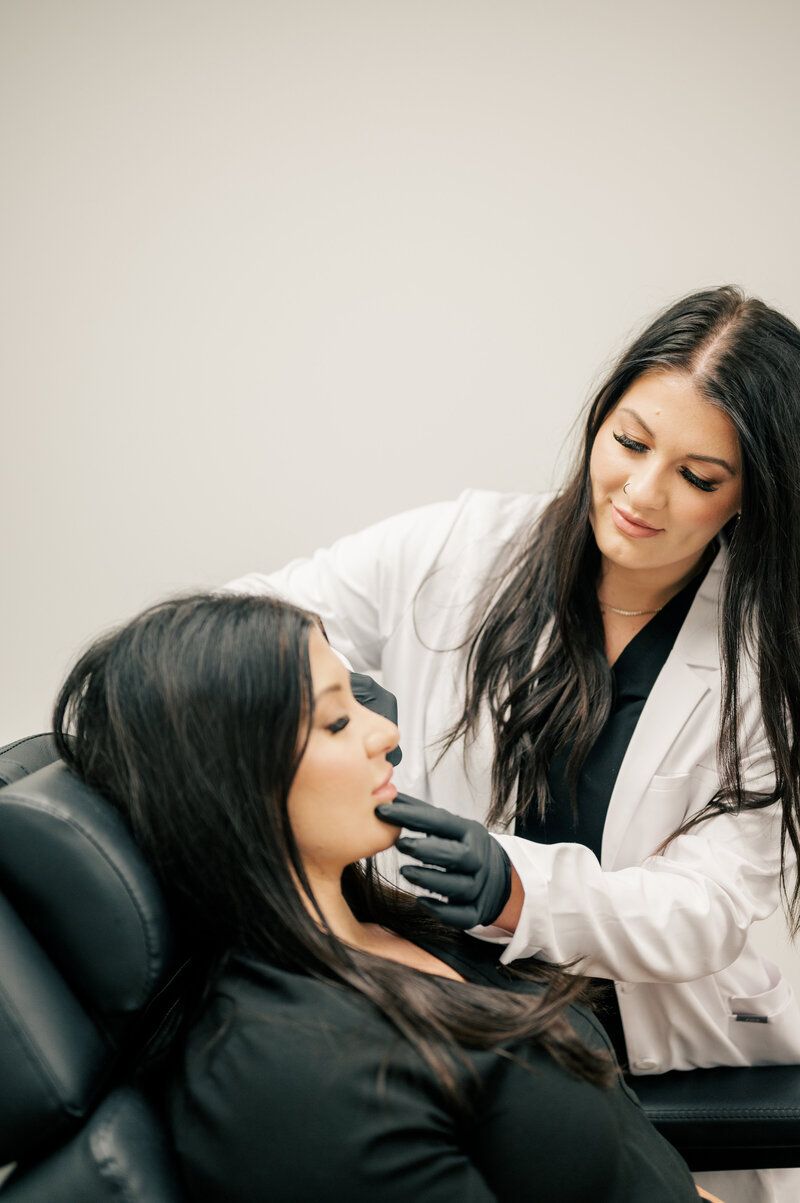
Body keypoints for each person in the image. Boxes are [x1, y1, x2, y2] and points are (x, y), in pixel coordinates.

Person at [227, 286, 800, 1203]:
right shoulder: (459, 548)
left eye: (699, 477)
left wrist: (520, 888)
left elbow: (710, 905)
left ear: (750, 494)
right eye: (630, 441)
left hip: (638, 1028)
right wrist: (325, 682)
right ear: (599, 419)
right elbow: (243, 618)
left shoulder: (765, 657)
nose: (643, 494)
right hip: (443, 987)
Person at [52, 593, 707, 1202]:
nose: (385, 732)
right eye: (338, 717)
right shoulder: (292, 1076)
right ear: (232, 781)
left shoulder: (394, 926)